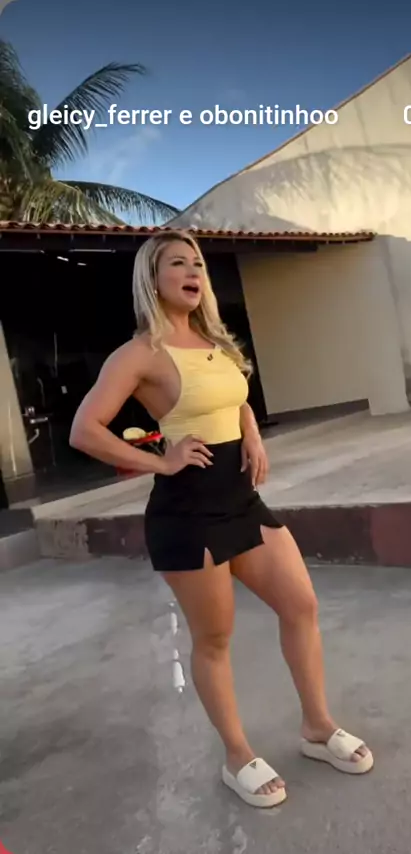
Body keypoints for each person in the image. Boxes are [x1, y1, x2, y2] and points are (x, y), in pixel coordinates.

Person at [69, 229, 373, 809]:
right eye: (178, 263)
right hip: (188, 513)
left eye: (198, 264)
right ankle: (237, 757)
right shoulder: (140, 354)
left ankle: (316, 727)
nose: (193, 272)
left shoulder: (214, 341)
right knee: (214, 639)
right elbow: (86, 430)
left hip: (241, 501)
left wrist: (252, 434)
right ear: (152, 279)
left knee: (301, 605)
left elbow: (235, 397)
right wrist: (161, 461)